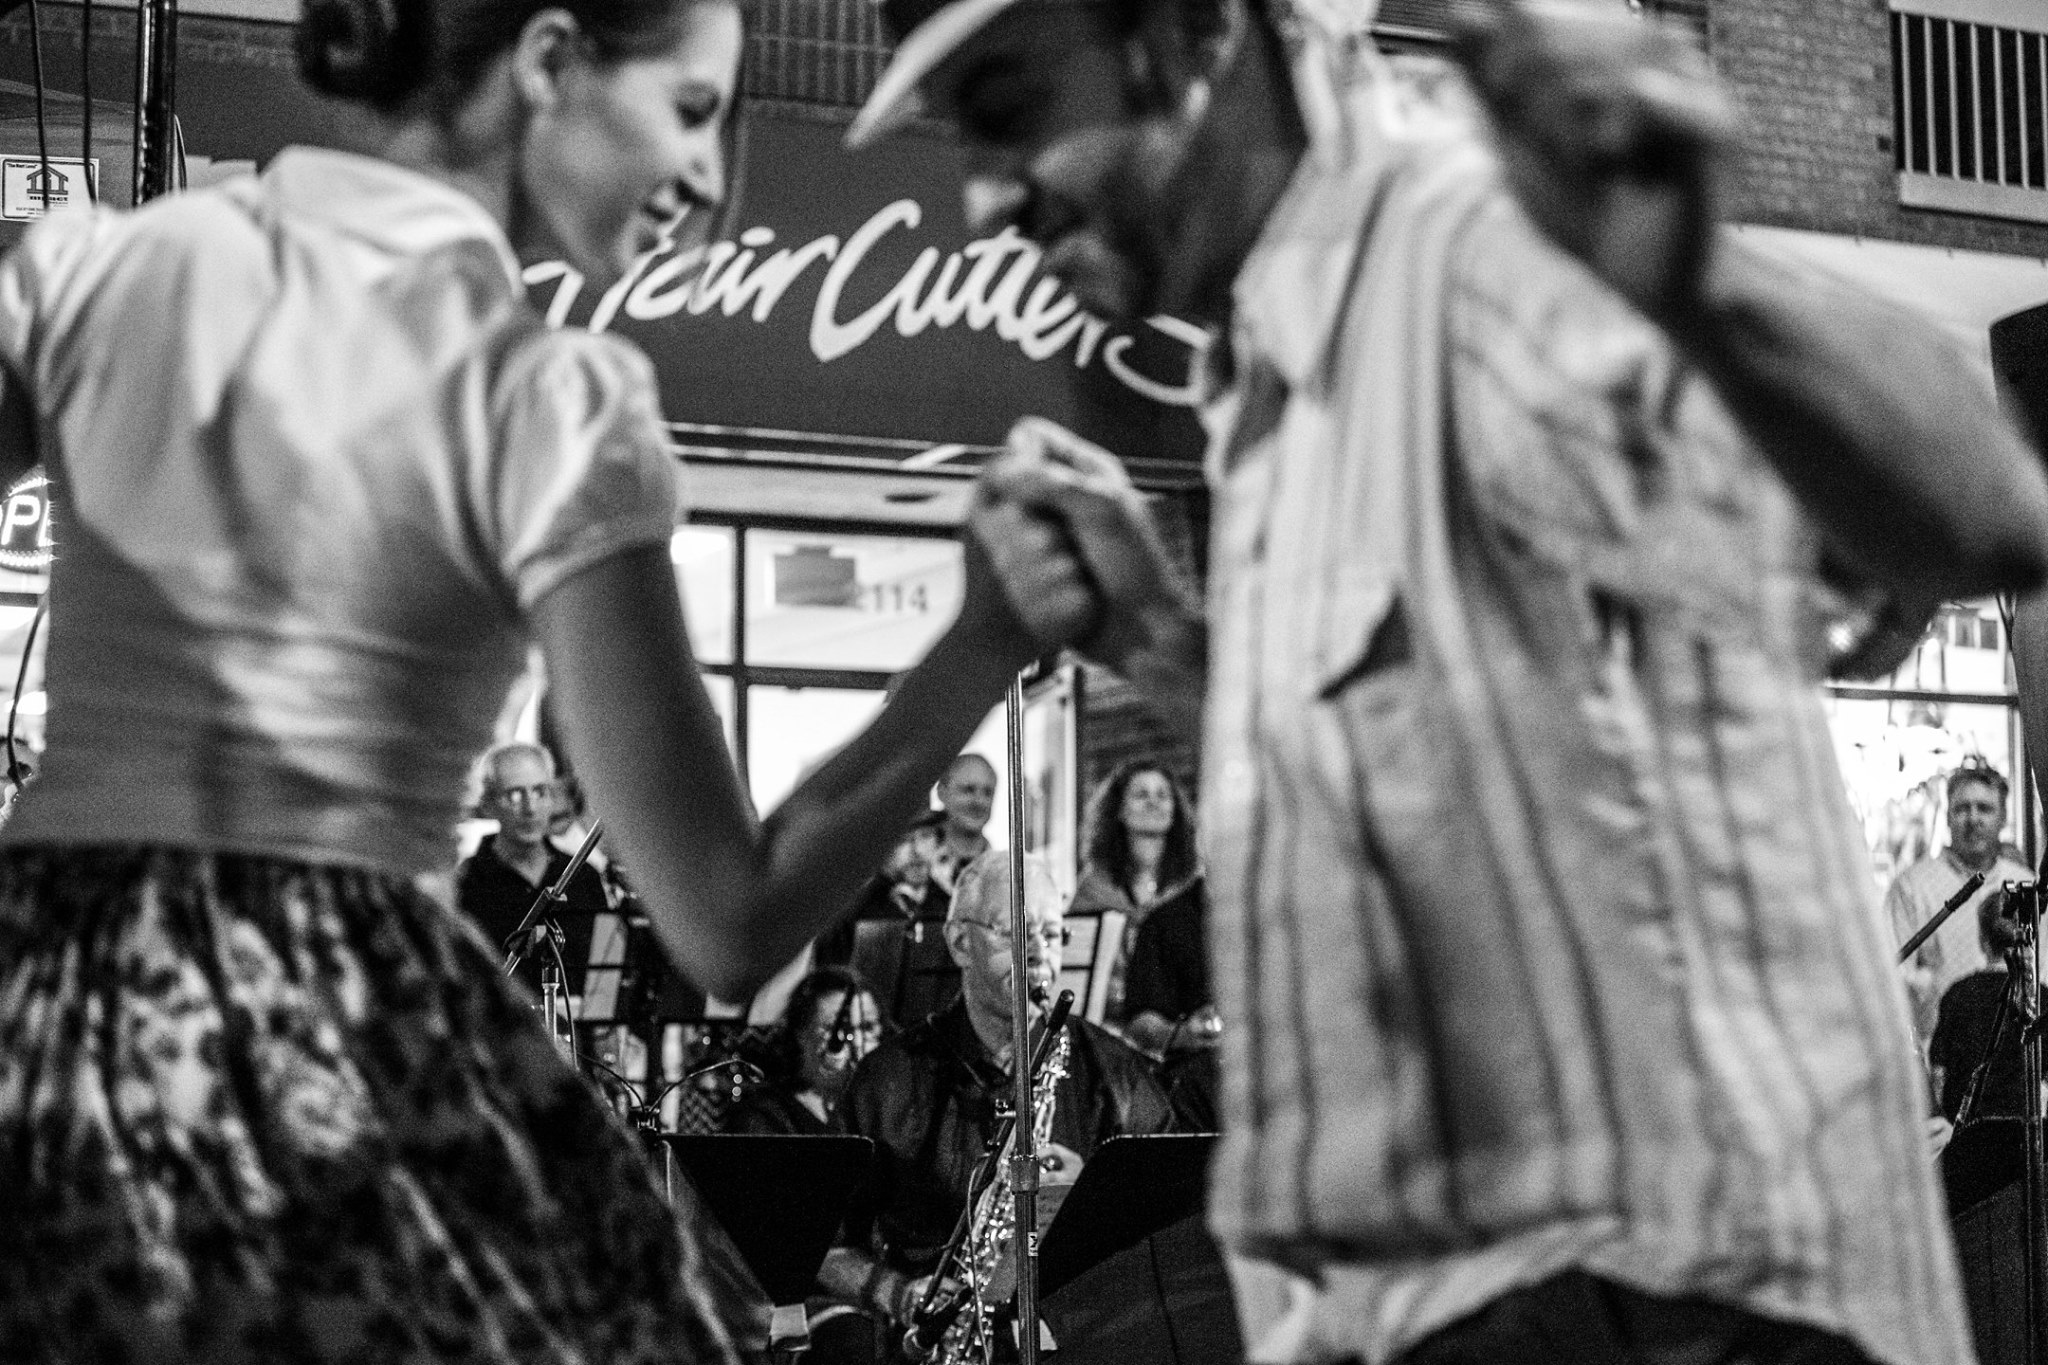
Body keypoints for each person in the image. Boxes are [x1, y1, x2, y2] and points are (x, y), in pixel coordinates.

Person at [848, 0, 2048, 1362]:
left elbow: (1982, 508)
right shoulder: (1269, 388)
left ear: (1187, 38)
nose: (983, 198)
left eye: (1007, 107)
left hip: (1663, 1294)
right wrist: (1159, 648)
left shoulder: (1475, 249)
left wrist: (1684, 271)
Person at [0, 0, 1106, 1357]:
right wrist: (981, 640)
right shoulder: (545, 400)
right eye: (692, 111)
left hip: (47, 990)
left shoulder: (95, 269)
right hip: (328, 1022)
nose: (709, 180)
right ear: (548, 60)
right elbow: (730, 916)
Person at [817, 850, 1177, 1358]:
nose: (1039, 954)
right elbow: (825, 1247)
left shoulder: (1115, 1073)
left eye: (1051, 934)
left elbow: (1171, 1235)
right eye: (1017, 933)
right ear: (960, 942)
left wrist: (1089, 1204)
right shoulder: (889, 1078)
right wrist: (899, 1294)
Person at [1885, 760, 2031, 1048]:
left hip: (2014, 1053)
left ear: (2003, 817)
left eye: (1984, 808)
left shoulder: (2024, 884)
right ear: (1948, 817)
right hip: (1941, 1052)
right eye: (1962, 808)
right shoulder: (1912, 887)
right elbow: (1894, 975)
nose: (1973, 819)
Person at [456, 740, 611, 996]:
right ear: (488, 804)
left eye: (540, 792)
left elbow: (606, 981)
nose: (530, 808)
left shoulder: (583, 876)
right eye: (514, 795)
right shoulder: (465, 883)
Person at [1068, 759, 1206, 1041]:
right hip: (1108, 1029)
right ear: (1119, 809)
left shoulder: (1191, 886)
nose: (1153, 803)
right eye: (1141, 795)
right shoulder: (1095, 886)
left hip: (1180, 1032)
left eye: (1163, 795)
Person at [822, 808, 963, 1024]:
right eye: (902, 839)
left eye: (926, 836)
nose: (917, 851)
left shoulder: (952, 907)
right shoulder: (853, 911)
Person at [723, 965, 885, 1135]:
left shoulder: (886, 1115)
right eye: (835, 1029)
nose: (857, 1042)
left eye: (868, 1027)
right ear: (800, 1033)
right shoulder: (765, 1118)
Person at [1929, 886, 2039, 1124]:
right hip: (2024, 1131)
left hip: (1965, 1132)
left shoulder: (1957, 994)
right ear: (2030, 938)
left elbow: (1939, 1073)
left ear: (1983, 941)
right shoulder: (2041, 998)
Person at [927, 752, 997, 895]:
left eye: (987, 792)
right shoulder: (915, 861)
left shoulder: (1004, 872)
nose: (979, 801)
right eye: (968, 790)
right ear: (941, 792)